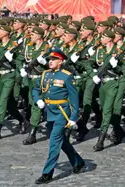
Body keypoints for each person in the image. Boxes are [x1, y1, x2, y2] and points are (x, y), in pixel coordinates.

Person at [32, 48, 85, 184]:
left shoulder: (67, 76)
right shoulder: (45, 75)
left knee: (54, 142)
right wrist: (38, 99)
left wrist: (73, 118)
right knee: (62, 142)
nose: (50, 62)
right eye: (49, 59)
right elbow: (36, 89)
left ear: (60, 62)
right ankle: (78, 162)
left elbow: (74, 99)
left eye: (54, 60)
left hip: (62, 112)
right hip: (50, 112)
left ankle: (47, 173)